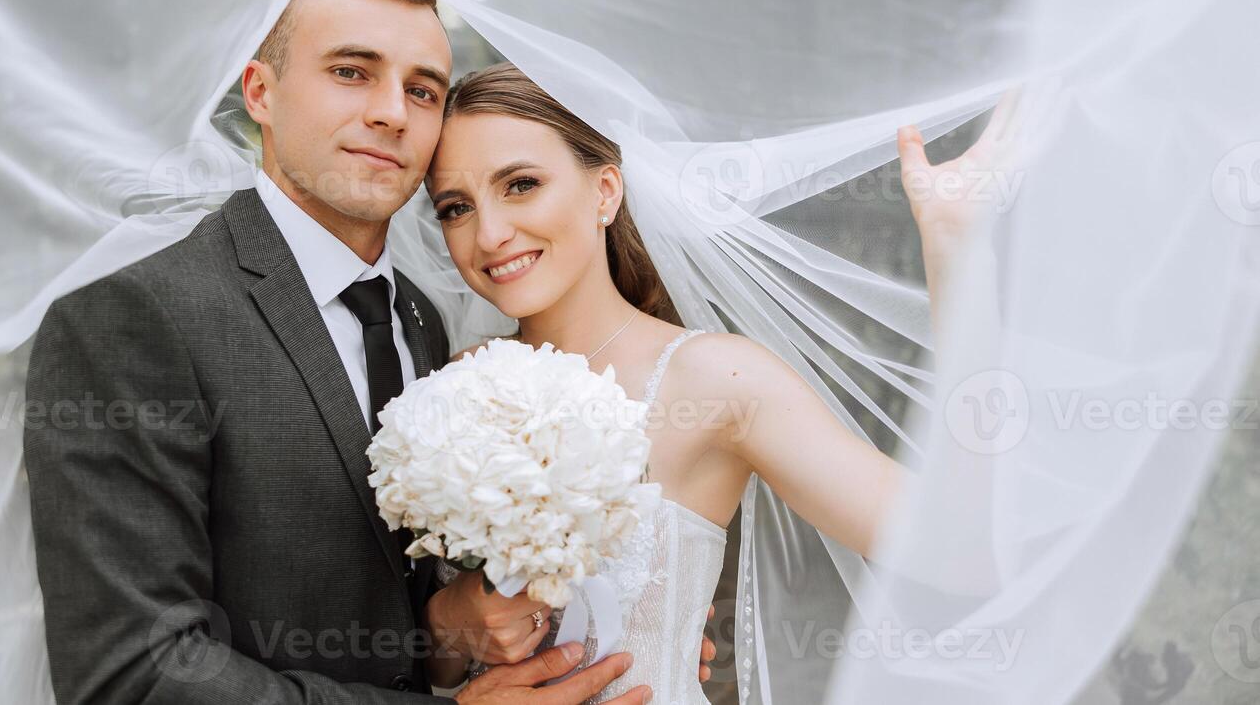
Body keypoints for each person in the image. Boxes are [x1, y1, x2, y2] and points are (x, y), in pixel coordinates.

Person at [24, 0, 702, 705]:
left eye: (422, 90)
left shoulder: (423, 321)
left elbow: (408, 604)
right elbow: (132, 673)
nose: (392, 113)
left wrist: (611, 627)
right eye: (352, 72)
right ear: (261, 93)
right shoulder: (138, 318)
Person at [420, 63, 1006, 702]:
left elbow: (965, 551)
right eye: (456, 207)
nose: (490, 233)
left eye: (522, 184)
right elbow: (432, 663)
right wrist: (447, 630)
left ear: (605, 191)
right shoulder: (455, 385)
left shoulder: (717, 380)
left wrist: (957, 251)